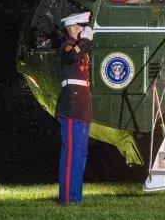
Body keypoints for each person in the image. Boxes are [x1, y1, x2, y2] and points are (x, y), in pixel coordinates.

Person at [55, 11, 94, 205]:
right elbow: (71, 56)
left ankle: (76, 197)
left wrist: (86, 42)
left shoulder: (81, 47)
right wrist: (84, 42)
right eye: (80, 27)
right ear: (72, 28)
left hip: (83, 103)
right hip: (71, 103)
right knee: (71, 152)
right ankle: (67, 198)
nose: (84, 31)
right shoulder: (67, 45)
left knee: (81, 153)